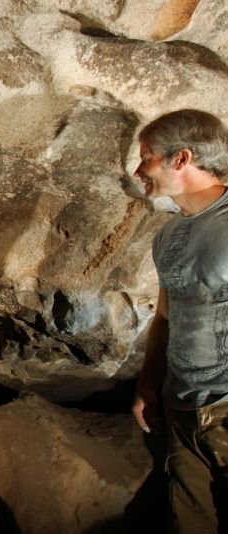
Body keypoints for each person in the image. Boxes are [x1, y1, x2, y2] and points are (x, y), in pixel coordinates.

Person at [131, 109, 228, 532]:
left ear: (181, 158)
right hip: (182, 408)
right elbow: (166, 317)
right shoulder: (167, 235)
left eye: (147, 157)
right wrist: (148, 385)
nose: (139, 170)